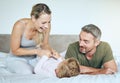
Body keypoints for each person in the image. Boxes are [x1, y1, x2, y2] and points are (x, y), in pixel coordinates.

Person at [6, 3, 56, 74]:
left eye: (49, 22)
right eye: (44, 22)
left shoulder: (46, 26)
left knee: (50, 69)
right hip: (16, 59)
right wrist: (37, 51)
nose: (47, 26)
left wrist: (52, 52)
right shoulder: (19, 25)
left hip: (34, 59)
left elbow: (45, 44)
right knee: (27, 72)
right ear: (33, 18)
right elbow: (15, 50)